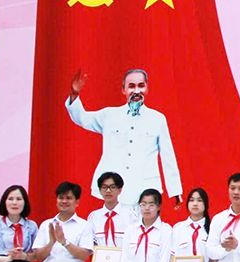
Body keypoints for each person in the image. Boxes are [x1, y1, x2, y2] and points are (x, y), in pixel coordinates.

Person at [65, 68, 182, 206]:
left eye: (141, 86)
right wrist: (74, 94)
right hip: (114, 188)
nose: (136, 91)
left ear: (147, 88)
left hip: (145, 189)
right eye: (131, 86)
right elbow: (82, 118)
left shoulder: (157, 119)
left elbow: (168, 155)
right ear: (123, 90)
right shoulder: (109, 115)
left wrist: (175, 191)